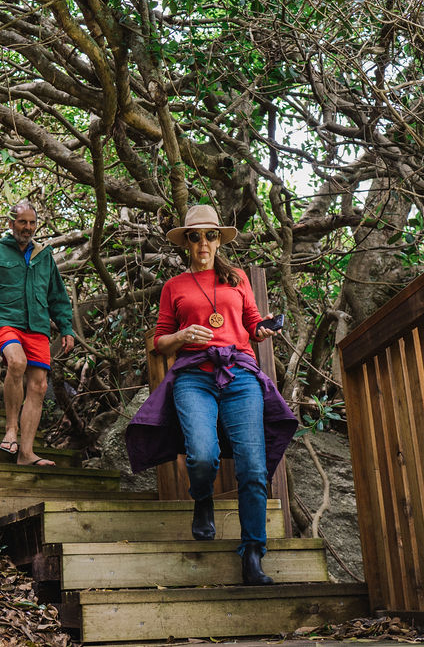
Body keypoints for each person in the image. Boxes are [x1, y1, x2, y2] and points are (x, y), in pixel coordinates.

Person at [124, 204, 297, 585]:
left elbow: (252, 323)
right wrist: (184, 336)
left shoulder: (236, 278)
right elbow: (159, 341)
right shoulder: (175, 286)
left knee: (253, 467)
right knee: (202, 456)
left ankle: (253, 554)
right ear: (187, 242)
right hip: (193, 377)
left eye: (211, 235)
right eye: (196, 236)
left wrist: (264, 329)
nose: (204, 242)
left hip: (239, 375)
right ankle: (202, 500)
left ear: (219, 239)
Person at [0, 201, 74, 466]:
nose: (27, 228)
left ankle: (26, 453)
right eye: (22, 222)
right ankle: (10, 430)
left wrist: (66, 328)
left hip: (37, 326)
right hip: (5, 320)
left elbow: (57, 296)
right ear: (10, 223)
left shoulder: (43, 256)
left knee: (39, 386)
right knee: (16, 362)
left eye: (32, 223)